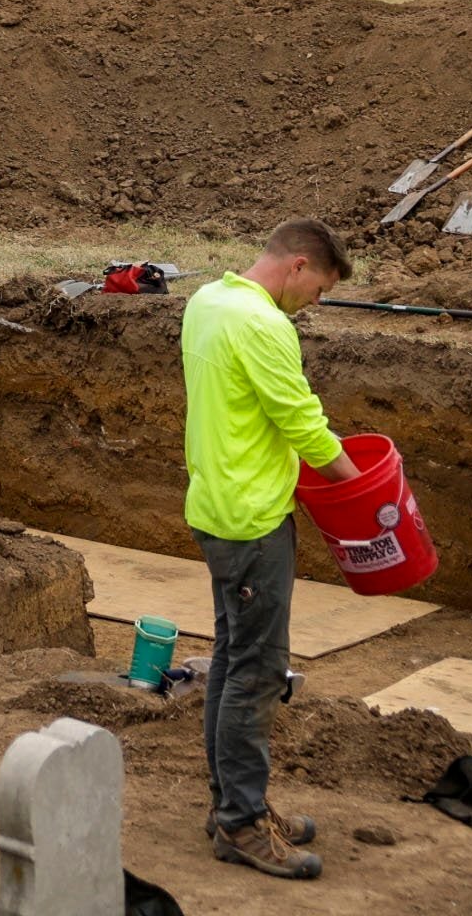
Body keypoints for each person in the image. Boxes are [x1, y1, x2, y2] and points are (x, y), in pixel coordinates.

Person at [184, 217, 361, 882]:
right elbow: (305, 427)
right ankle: (240, 823)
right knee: (256, 675)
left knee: (232, 663)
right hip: (253, 520)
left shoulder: (207, 302)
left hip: (216, 507)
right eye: (319, 288)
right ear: (297, 266)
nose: (316, 303)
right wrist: (368, 493)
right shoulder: (264, 325)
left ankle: (233, 804)